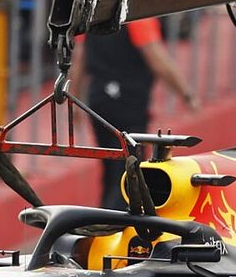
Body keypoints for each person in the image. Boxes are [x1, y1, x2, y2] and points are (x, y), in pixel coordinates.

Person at [73, 18, 199, 210]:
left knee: (110, 170)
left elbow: (78, 59)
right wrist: (186, 93)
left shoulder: (95, 14)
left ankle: (103, 221)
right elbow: (157, 59)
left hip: (98, 100)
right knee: (130, 173)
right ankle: (113, 226)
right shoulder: (137, 17)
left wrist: (74, 100)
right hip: (128, 102)